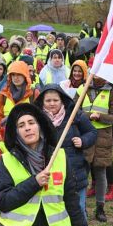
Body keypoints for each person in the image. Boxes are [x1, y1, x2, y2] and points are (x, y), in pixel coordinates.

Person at [35, 84, 97, 217]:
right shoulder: (37, 118)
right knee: (55, 211)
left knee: (78, 209)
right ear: (42, 101)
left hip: (75, 171)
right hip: (49, 172)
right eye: (48, 100)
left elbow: (92, 132)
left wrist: (83, 141)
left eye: (55, 100)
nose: (52, 104)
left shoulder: (74, 114)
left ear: (62, 100)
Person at [79, 74, 113, 222]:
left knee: (101, 171)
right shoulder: (81, 89)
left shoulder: (111, 92)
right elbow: (74, 111)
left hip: (103, 138)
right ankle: (81, 207)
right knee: (82, 172)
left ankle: (100, 208)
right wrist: (89, 116)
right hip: (84, 135)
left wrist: (100, 117)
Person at [0, 60, 37, 140]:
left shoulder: (33, 94)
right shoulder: (3, 94)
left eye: (19, 74)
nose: (16, 78)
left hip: (28, 138)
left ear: (25, 76)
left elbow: (40, 116)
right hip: (7, 138)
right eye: (13, 75)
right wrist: (0, 135)